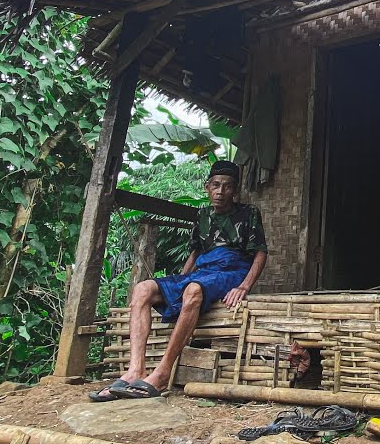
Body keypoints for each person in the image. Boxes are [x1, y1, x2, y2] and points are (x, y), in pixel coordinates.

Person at [89, 160, 268, 400]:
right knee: (143, 289)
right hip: (203, 271)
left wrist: (244, 286)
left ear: (235, 190)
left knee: (193, 290)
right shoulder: (203, 215)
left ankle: (163, 373)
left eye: (227, 186)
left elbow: (260, 252)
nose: (220, 191)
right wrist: (180, 280)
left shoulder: (249, 213)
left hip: (231, 270)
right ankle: (135, 370)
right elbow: (195, 252)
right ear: (207, 187)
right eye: (215, 185)